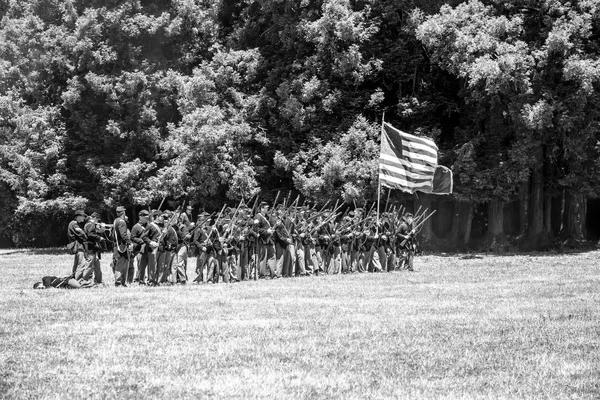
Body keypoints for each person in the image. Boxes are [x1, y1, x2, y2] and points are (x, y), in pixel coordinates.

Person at [111, 205, 132, 286]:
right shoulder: (121, 222)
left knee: (122, 264)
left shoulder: (116, 221)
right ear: (123, 212)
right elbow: (123, 235)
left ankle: (121, 282)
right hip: (122, 246)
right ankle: (119, 282)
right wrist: (130, 242)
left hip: (117, 244)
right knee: (121, 265)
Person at [83, 211, 105, 283]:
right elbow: (90, 234)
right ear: (95, 218)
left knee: (97, 264)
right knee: (89, 265)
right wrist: (99, 238)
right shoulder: (91, 224)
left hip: (92, 247)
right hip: (90, 247)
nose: (98, 221)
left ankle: (98, 281)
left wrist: (99, 230)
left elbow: (92, 233)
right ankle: (84, 280)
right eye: (97, 219)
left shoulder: (88, 224)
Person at [67, 210, 89, 278]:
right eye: (83, 216)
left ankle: (73, 277)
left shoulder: (77, 224)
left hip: (79, 246)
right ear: (78, 217)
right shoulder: (74, 223)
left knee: (76, 264)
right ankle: (78, 280)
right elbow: (82, 234)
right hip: (78, 246)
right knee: (82, 264)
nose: (84, 218)